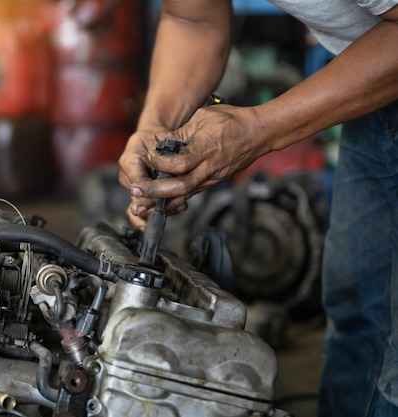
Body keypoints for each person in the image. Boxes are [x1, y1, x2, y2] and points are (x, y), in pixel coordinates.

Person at [117, 0, 398, 416]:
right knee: (359, 307)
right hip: (377, 80)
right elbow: (192, 17)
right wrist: (155, 125)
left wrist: (260, 129)